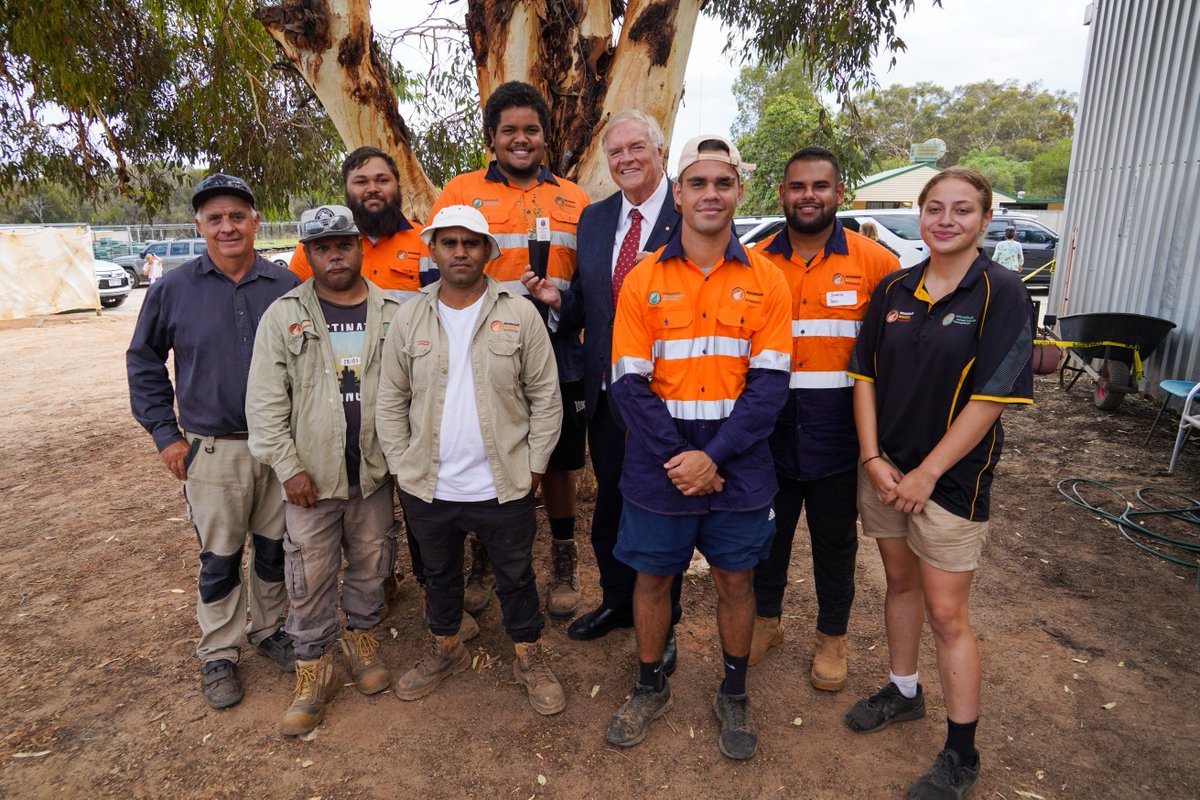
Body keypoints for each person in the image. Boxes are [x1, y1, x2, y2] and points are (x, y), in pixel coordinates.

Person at [844, 167, 1032, 799]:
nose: (945, 219)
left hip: (949, 484)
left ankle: (961, 752)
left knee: (949, 615)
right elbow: (863, 375)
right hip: (887, 472)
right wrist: (873, 459)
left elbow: (992, 397)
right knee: (899, 583)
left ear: (983, 218)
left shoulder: (1001, 292)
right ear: (919, 214)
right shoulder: (894, 288)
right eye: (935, 208)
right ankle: (903, 690)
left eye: (961, 209)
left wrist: (927, 474)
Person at [603, 136, 792, 760]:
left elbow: (769, 387)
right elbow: (628, 384)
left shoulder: (768, 280)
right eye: (698, 183)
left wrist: (715, 458)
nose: (711, 194)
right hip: (662, 466)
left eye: (723, 183)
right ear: (677, 194)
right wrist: (682, 460)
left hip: (737, 467)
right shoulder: (642, 279)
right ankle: (650, 683)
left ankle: (733, 691)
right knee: (652, 580)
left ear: (739, 192)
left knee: (737, 582)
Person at [376, 205, 567, 715]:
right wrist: (401, 464)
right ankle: (446, 649)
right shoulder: (409, 316)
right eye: (449, 242)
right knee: (437, 575)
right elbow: (390, 398)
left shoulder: (520, 312)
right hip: (428, 483)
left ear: (487, 251)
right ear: (433, 250)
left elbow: (546, 396)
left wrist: (536, 466)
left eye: (470, 242)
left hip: (503, 481)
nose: (460, 252)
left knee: (515, 574)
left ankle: (529, 655)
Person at [126, 173, 299, 709]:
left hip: (278, 449)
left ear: (256, 221)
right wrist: (165, 435)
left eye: (237, 216)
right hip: (213, 450)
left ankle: (269, 629)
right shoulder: (172, 289)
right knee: (220, 557)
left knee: (274, 549)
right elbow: (144, 361)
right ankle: (219, 653)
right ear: (199, 225)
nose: (228, 226)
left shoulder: (287, 286)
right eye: (215, 218)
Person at [521, 109, 684, 668]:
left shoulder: (690, 214)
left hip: (671, 391)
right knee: (612, 501)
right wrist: (556, 301)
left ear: (660, 150)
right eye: (615, 153)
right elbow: (593, 308)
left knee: (665, 507)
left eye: (636, 147)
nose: (626, 159)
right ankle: (618, 601)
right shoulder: (594, 220)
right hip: (608, 390)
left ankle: (664, 621)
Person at [427, 82, 590, 619]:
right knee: (485, 449)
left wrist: (560, 306)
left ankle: (563, 556)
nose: (521, 140)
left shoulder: (574, 199)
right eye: (509, 131)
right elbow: (436, 274)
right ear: (491, 138)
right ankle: (484, 558)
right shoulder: (459, 192)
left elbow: (588, 287)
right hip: (485, 354)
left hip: (559, 350)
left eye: (532, 130)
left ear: (546, 136)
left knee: (562, 460)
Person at [246, 204, 400, 736]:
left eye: (343, 244)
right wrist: (289, 468)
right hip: (311, 478)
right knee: (308, 574)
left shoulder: (392, 312)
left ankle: (362, 641)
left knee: (371, 561)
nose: (334, 255)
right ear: (307, 254)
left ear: (360, 246)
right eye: (321, 247)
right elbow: (265, 405)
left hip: (375, 475)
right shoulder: (283, 315)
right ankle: (314, 670)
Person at [749, 148, 900, 690]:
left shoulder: (875, 263)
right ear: (782, 194)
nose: (807, 195)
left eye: (819, 186)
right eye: (796, 186)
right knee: (768, 536)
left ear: (838, 192)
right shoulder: (756, 262)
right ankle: (766, 622)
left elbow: (893, 355)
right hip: (768, 432)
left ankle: (831, 638)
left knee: (835, 541)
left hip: (840, 434)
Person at [288, 147, 435, 302]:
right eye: (361, 182)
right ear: (346, 190)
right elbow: (293, 309)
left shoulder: (424, 241)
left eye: (382, 180)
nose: (372, 189)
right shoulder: (314, 244)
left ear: (398, 186)